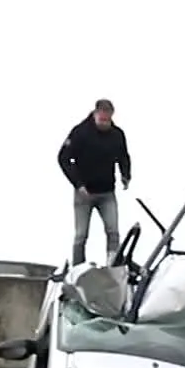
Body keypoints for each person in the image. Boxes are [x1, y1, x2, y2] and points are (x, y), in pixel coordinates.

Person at [57, 99, 132, 267]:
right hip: (85, 193)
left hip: (107, 192)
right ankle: (77, 268)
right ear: (95, 114)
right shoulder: (80, 132)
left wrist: (126, 175)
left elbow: (123, 156)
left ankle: (112, 265)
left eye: (108, 120)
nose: (105, 124)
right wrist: (78, 184)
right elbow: (63, 158)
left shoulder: (117, 134)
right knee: (81, 235)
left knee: (113, 232)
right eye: (102, 120)